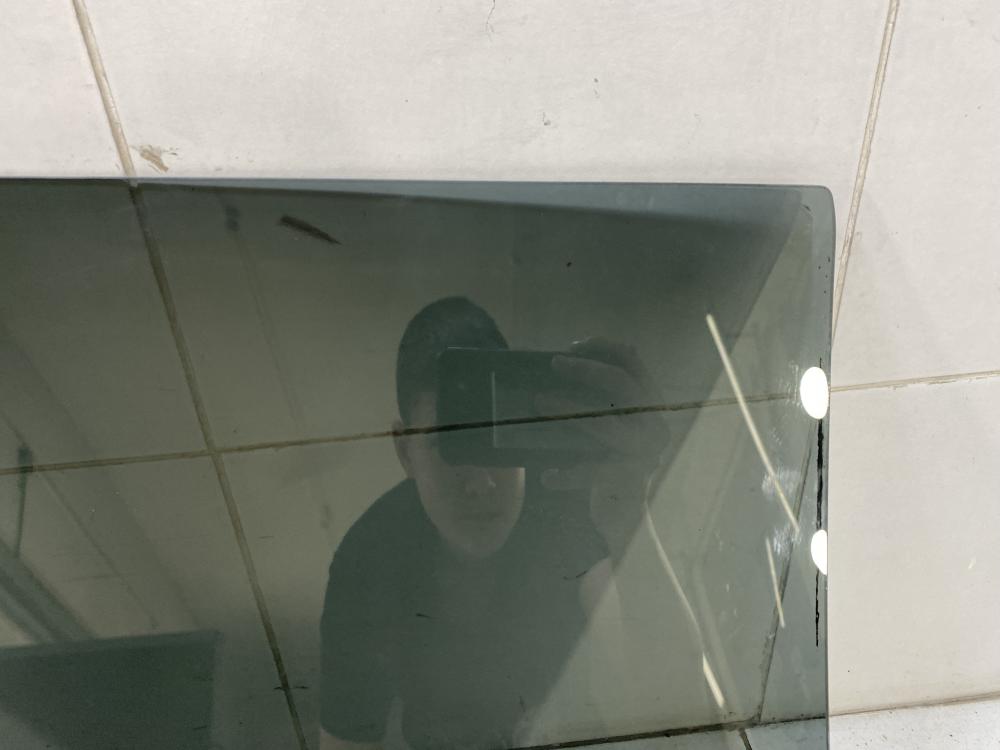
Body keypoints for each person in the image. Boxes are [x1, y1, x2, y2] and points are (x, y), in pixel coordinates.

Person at [318, 297, 674, 750]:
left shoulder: (565, 501)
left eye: (493, 439)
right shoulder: (368, 559)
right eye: (451, 448)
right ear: (405, 453)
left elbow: (662, 691)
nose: (481, 482)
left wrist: (629, 524)